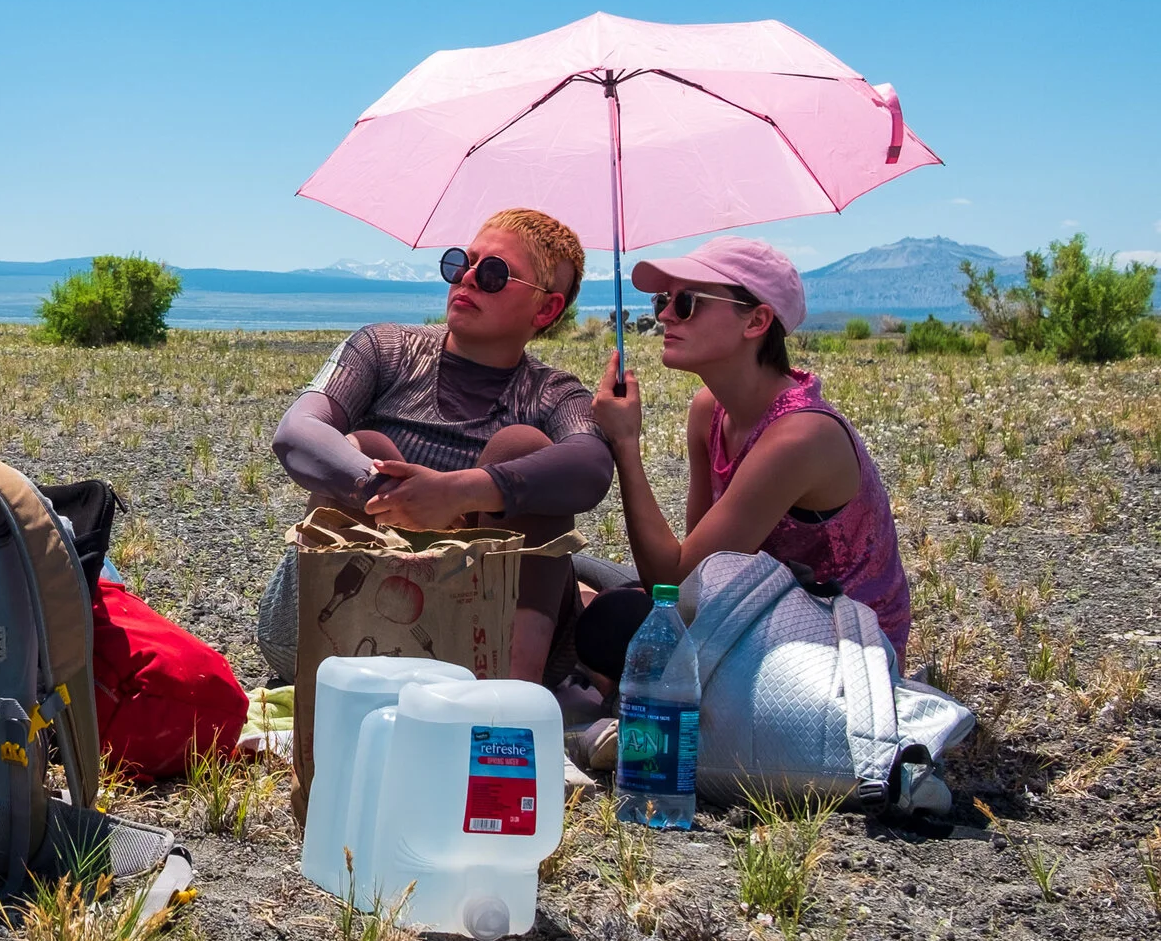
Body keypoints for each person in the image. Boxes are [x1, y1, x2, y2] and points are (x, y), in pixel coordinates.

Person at [259, 208, 611, 685]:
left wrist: (459, 493)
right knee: (367, 444)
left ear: (545, 310)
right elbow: (297, 431)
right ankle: (355, 676)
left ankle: (507, 704)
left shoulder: (551, 394)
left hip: (483, 647)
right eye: (460, 263)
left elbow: (589, 465)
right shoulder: (384, 349)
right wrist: (385, 492)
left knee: (524, 448)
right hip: (332, 634)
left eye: (492, 274)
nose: (465, 278)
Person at [580, 236, 911, 678]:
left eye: (687, 302)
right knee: (568, 567)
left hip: (841, 661)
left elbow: (675, 583)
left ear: (756, 321)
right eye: (664, 300)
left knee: (613, 619)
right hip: (757, 617)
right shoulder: (709, 411)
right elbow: (703, 574)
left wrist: (626, 444)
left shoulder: (800, 435)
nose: (663, 315)